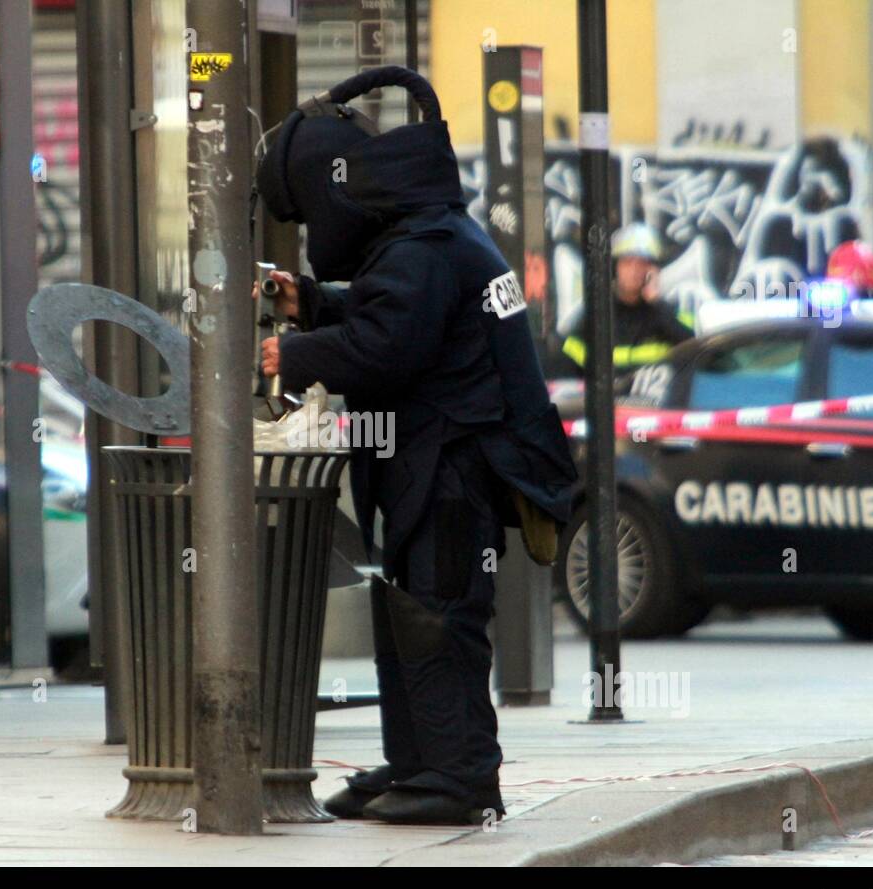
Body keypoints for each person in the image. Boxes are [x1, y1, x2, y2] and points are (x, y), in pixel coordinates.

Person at [255, 67, 577, 825]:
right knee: (412, 610)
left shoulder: (421, 246)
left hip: (449, 469)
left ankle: (461, 777)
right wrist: (316, 303)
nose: (313, 232)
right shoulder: (430, 234)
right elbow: (399, 315)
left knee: (440, 617)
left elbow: (385, 347)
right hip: (434, 463)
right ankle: (421, 762)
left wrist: (289, 356)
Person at [558, 222, 693, 377]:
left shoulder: (666, 314)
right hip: (609, 401)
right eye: (628, 263)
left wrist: (656, 302)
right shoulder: (594, 316)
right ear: (615, 267)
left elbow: (693, 349)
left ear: (653, 270)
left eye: (643, 263)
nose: (635, 271)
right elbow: (570, 371)